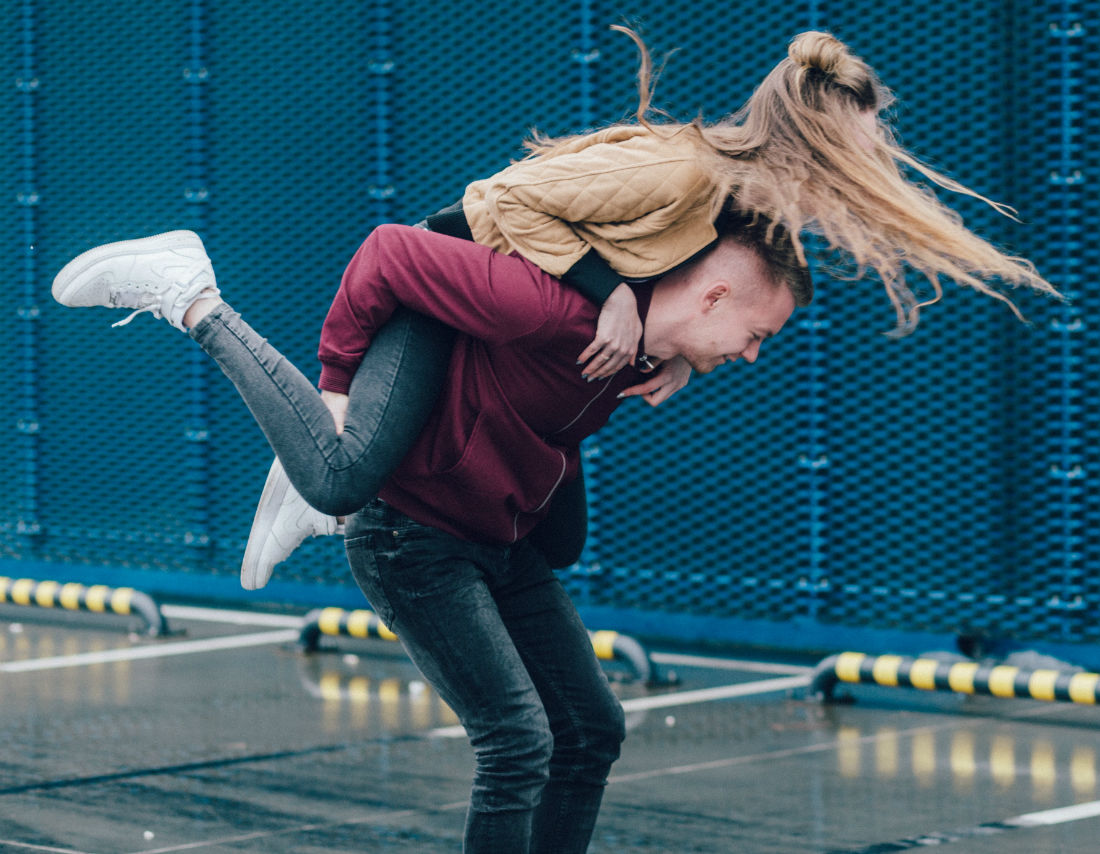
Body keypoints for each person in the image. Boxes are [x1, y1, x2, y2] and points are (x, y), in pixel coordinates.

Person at [52, 213, 809, 852]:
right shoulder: (555, 310)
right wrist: (338, 395)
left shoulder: (639, 347)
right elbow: (391, 249)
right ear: (713, 296)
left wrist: (675, 356)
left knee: (591, 727)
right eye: (755, 334)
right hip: (410, 535)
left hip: (497, 538)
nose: (750, 355)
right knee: (517, 740)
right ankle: (195, 302)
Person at [237, 25, 1059, 590]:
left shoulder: (744, 212)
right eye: (871, 142)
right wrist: (606, 296)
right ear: (821, 140)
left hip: (510, 312)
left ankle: (311, 487)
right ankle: (280, 421)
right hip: (444, 283)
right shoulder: (688, 173)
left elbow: (688, 295)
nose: (879, 159)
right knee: (343, 471)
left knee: (547, 540)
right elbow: (500, 201)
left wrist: (673, 354)